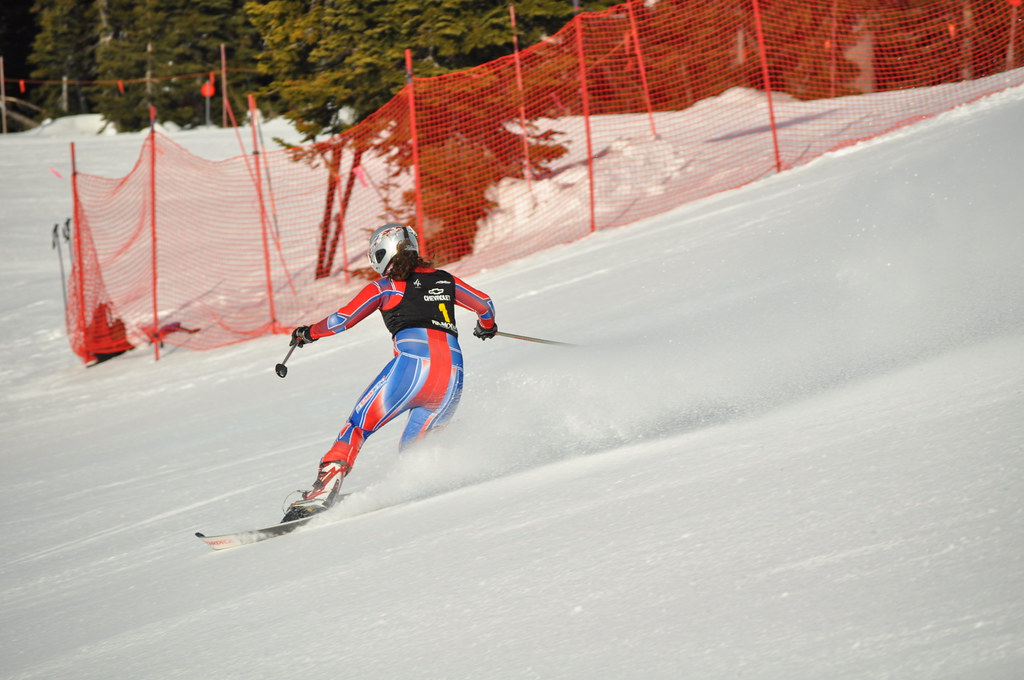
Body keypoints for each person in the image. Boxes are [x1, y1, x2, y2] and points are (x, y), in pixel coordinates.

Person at [281, 223, 497, 522]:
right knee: (416, 454)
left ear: (383, 253)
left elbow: (343, 319)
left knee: (357, 427)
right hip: (451, 377)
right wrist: (486, 327)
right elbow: (485, 304)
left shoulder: (386, 287)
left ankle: (321, 493)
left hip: (412, 368)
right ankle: (422, 481)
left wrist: (308, 333)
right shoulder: (445, 279)